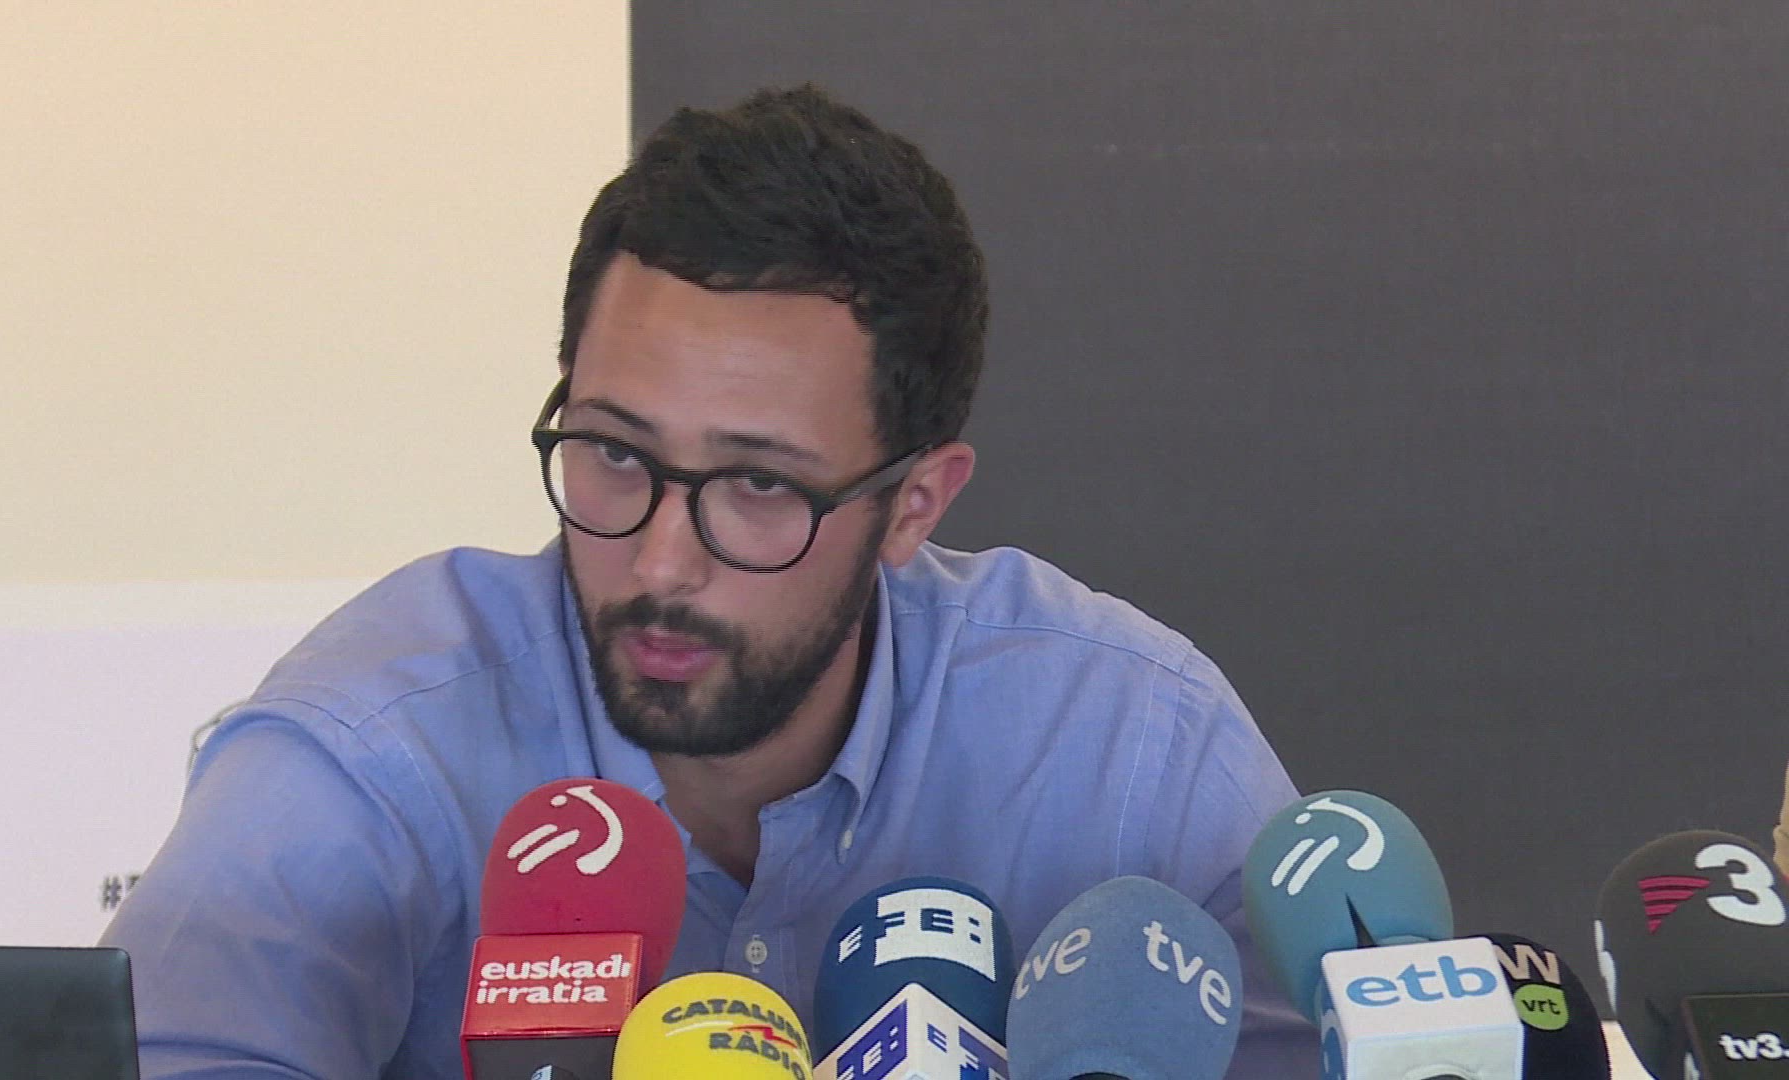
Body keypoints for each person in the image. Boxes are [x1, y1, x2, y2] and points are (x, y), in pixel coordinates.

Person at [102, 84, 1318, 1077]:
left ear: (913, 505)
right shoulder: (373, 747)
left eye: (758, 485)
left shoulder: (1130, 751)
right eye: (615, 453)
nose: (660, 562)